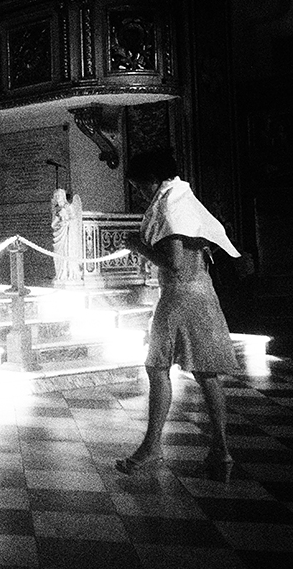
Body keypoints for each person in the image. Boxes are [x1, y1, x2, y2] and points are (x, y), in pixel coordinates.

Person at [117, 148, 240, 482]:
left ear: (154, 179)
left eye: (141, 186)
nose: (141, 193)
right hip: (203, 293)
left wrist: (137, 246)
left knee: (156, 367)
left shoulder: (171, 205)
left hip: (180, 295)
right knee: (206, 372)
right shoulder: (185, 199)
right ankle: (221, 450)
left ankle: (152, 445)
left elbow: (173, 261)